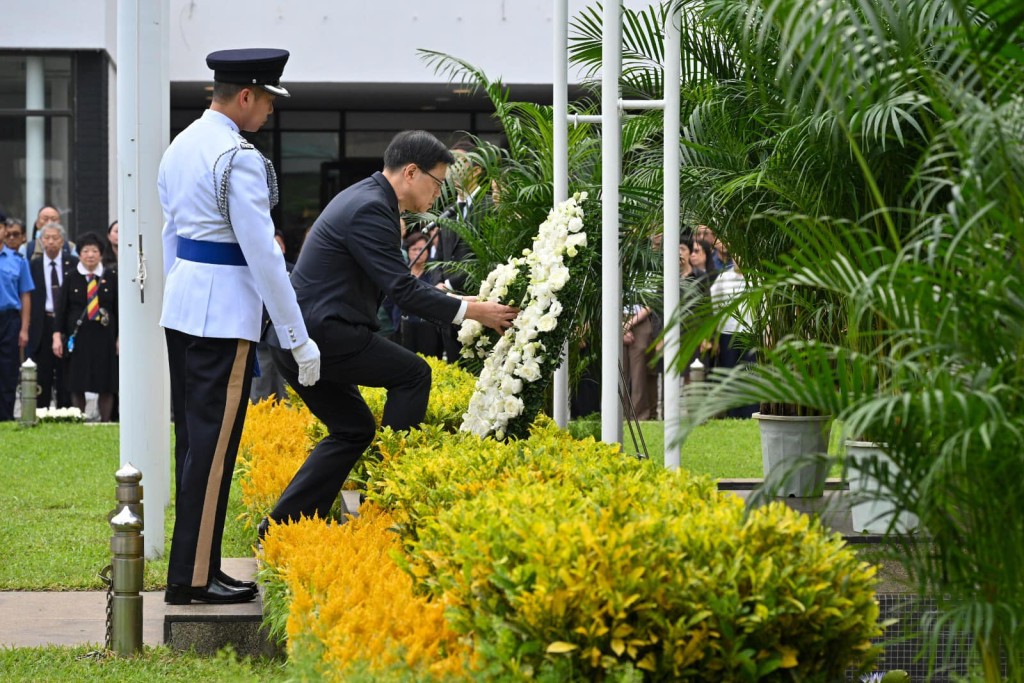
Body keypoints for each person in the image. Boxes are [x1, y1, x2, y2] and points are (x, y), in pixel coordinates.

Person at [263, 130, 517, 530]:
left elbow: (396, 284)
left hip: (305, 337)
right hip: (320, 338)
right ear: (411, 172)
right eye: (437, 183)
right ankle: (391, 497)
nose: (439, 194)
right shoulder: (370, 207)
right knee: (414, 374)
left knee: (354, 429)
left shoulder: (369, 198)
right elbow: (403, 290)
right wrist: (473, 310)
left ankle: (283, 525)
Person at [158, 48, 321, 605]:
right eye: (269, 99)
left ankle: (195, 568)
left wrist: (177, 290)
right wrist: (297, 337)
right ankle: (194, 578)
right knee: (213, 446)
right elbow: (264, 258)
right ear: (246, 95)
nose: (271, 110)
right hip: (222, 314)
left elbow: (170, 237)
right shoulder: (237, 157)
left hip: (184, 307)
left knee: (195, 445)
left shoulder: (182, 145)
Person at [51, 233, 117, 421]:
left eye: (94, 251)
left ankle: (105, 421)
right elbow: (61, 309)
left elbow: (118, 309)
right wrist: (57, 335)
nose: (90, 255)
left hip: (104, 336)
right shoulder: (71, 277)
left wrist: (120, 337)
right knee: (77, 379)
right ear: (79, 254)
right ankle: (80, 418)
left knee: (106, 381)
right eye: (85, 251)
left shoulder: (110, 276)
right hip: (78, 337)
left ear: (101, 254)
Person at [28, 222, 78, 409]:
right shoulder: (33, 265)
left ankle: (65, 410)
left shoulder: (72, 263)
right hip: (42, 322)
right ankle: (41, 410)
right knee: (43, 372)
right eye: (46, 238)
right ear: (40, 241)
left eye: (55, 238)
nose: (50, 242)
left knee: (65, 372)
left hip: (65, 322)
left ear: (62, 241)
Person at [0, 218, 33, 421]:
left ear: (4, 231)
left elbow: (25, 295)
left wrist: (24, 329)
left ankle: (5, 416)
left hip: (9, 320)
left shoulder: (18, 260)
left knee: (8, 369)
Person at [399, 231, 444, 358]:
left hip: (429, 327)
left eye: (422, 249)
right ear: (407, 251)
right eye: (414, 249)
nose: (418, 252)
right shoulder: (403, 272)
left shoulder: (434, 272)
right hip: (405, 325)